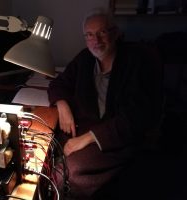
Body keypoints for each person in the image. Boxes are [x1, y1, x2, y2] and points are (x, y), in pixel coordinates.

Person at [48, 8, 163, 200]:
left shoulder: (135, 63)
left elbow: (135, 118)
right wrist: (62, 104)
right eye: (90, 35)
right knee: (43, 152)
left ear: (115, 33)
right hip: (84, 129)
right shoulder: (85, 58)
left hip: (116, 138)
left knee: (67, 174)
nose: (96, 41)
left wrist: (86, 139)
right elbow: (58, 83)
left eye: (102, 32)